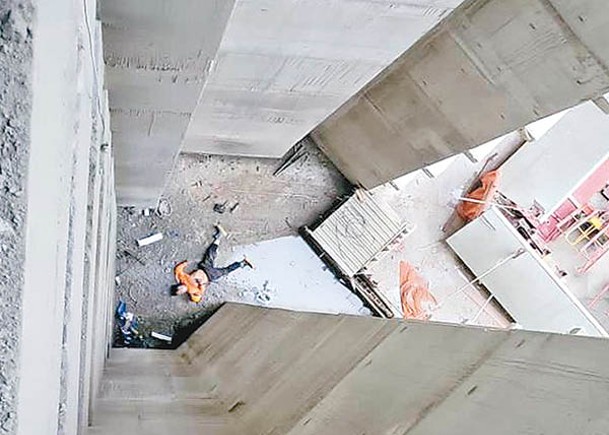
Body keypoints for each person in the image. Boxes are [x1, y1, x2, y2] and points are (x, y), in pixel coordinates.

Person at [173, 225, 253, 303]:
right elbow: (198, 297)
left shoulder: (182, 279)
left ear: (179, 286)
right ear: (182, 293)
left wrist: (185, 263)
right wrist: (201, 284)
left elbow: (178, 270)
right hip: (210, 275)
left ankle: (219, 237)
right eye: (181, 292)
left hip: (204, 268)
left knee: (210, 253)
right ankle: (241, 263)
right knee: (225, 271)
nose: (182, 289)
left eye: (179, 289)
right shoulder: (192, 291)